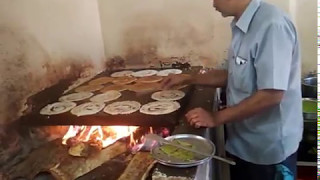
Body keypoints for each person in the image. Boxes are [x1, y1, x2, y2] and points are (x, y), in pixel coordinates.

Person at [161, 0, 303, 179]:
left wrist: (215, 117)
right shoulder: (241, 24)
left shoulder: (271, 26)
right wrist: (189, 78)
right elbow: (231, 73)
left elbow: (271, 95)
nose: (212, 3)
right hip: (244, 142)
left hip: (267, 151)